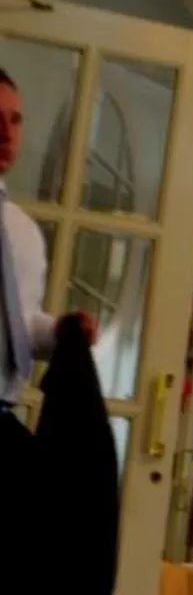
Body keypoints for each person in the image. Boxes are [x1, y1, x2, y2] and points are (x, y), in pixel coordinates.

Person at [0, 70, 92, 410]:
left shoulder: (24, 232)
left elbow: (20, 324)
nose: (7, 134)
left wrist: (61, 332)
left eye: (16, 120)